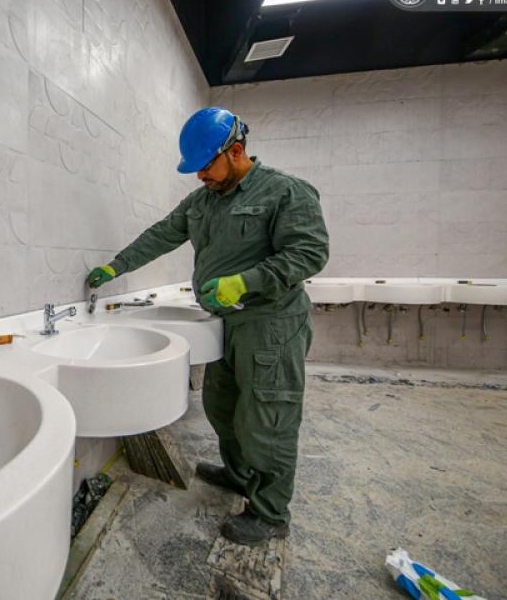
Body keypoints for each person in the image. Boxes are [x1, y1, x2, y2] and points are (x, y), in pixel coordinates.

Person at [86, 107, 329, 546]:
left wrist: (245, 281)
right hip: (225, 323)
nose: (200, 177)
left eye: (205, 167)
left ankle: (270, 512)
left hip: (270, 322)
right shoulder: (203, 201)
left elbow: (309, 253)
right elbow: (162, 233)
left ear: (234, 152)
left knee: (267, 418)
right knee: (222, 406)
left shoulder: (284, 191)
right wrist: (116, 265)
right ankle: (240, 476)